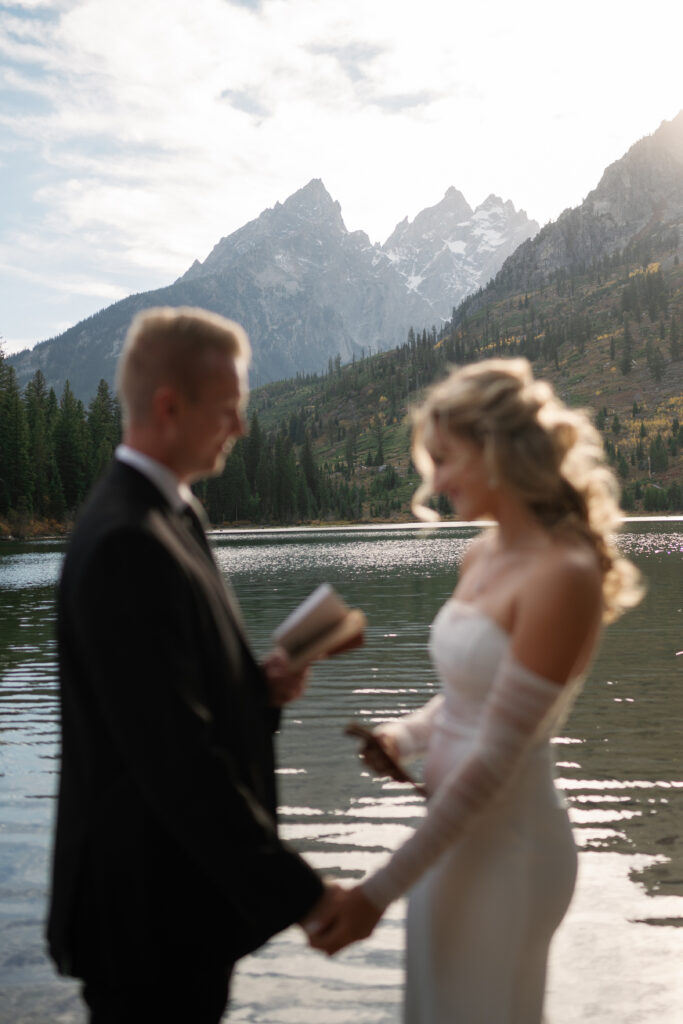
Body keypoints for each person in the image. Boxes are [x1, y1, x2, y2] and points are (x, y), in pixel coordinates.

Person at [307, 358, 642, 1023]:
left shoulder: (562, 573)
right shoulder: (479, 554)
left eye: (444, 457)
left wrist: (376, 892)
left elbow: (495, 754)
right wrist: (402, 737)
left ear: (495, 450)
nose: (433, 478)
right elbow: (467, 697)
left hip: (510, 848)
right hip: (449, 840)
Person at [47, 307, 338, 1024]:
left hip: (177, 908)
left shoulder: (173, 516)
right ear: (170, 406)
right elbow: (174, 761)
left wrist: (259, 693)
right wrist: (306, 897)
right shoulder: (126, 541)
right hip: (142, 923)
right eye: (230, 410)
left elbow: (171, 698)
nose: (240, 428)